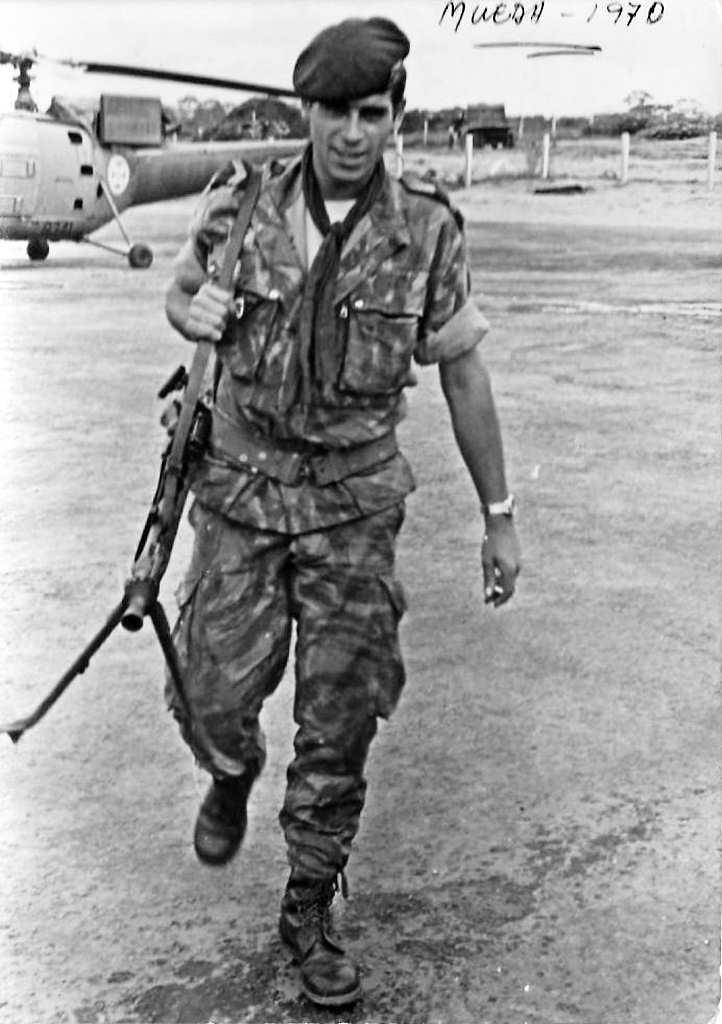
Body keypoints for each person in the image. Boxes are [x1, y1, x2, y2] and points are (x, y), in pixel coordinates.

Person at [164, 16, 521, 1009]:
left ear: (394, 115)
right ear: (307, 111)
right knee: (210, 691)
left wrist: (498, 514)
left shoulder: (426, 229)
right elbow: (183, 294)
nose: (352, 133)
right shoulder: (240, 204)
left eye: (371, 113)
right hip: (240, 492)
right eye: (334, 112)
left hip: (353, 507)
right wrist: (189, 310)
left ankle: (309, 902)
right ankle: (229, 769)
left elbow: (463, 374)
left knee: (342, 713)